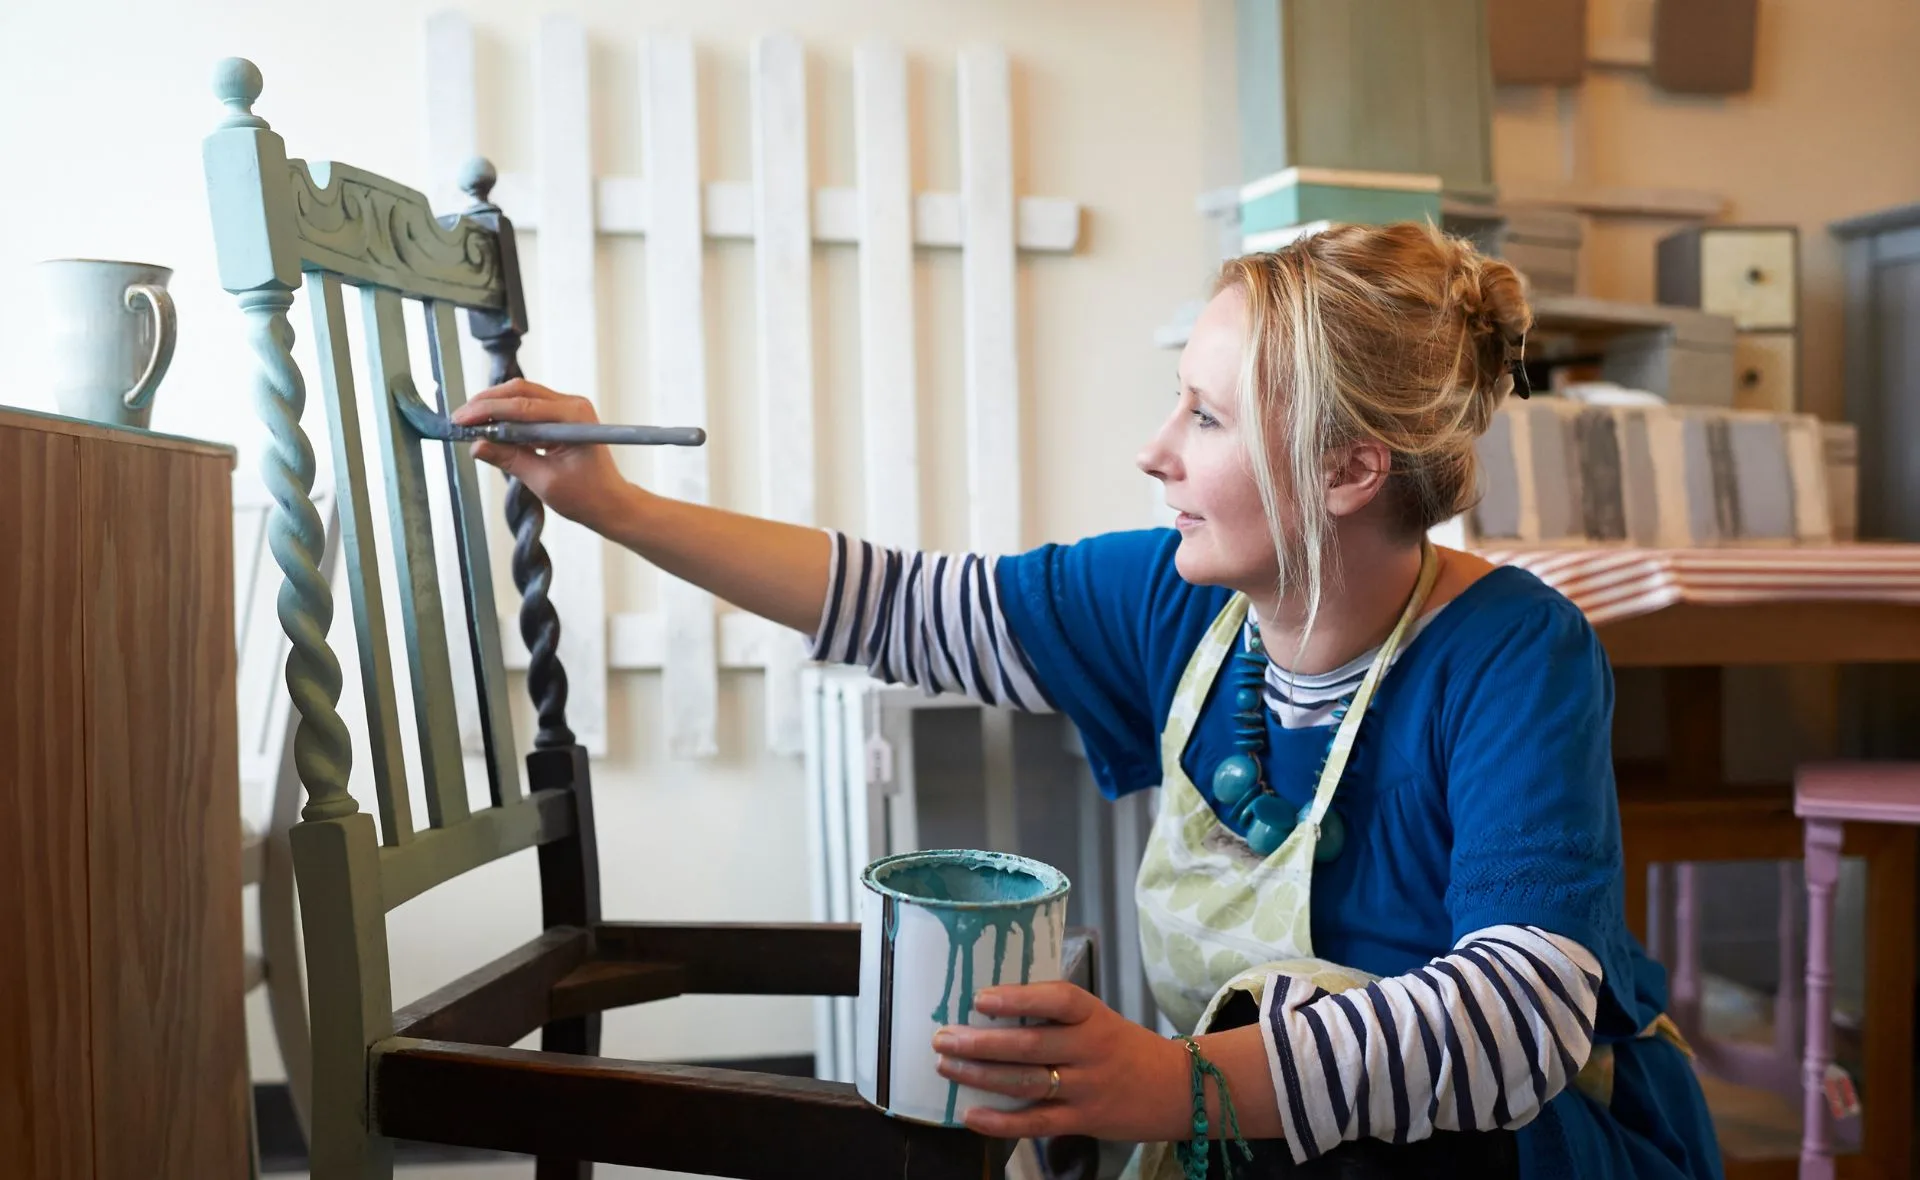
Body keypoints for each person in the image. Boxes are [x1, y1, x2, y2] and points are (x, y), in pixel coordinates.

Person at [454, 221, 1723, 1178]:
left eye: (1207, 414)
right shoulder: (1178, 605)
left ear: (1346, 466)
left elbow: (1516, 1019)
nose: (1155, 446)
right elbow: (897, 604)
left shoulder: (1513, 652)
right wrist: (616, 505)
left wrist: (1175, 1082)